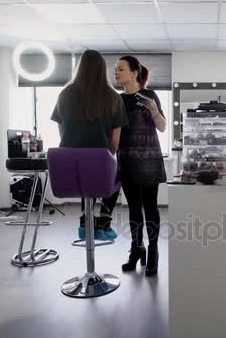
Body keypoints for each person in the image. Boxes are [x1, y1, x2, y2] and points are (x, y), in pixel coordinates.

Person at [50, 50, 128, 241]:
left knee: (85, 176)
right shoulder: (113, 97)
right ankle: (103, 222)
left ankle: (85, 222)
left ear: (80, 68)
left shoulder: (65, 94)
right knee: (118, 172)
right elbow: (115, 144)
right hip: (100, 167)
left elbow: (63, 135)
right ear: (103, 69)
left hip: (68, 169)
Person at [115, 55, 167, 277]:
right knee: (133, 209)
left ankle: (153, 252)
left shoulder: (149, 95)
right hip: (126, 160)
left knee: (150, 208)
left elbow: (163, 127)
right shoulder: (116, 100)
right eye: (115, 69)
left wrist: (154, 111)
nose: (116, 73)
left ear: (134, 73)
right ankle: (137, 249)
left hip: (148, 160)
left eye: (120, 69)